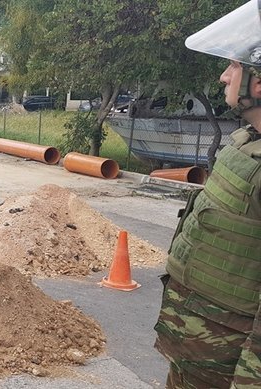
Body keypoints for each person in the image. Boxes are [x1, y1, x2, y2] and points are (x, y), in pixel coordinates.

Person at [153, 1, 261, 388]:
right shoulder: (247, 142)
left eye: (233, 66)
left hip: (229, 366)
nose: (223, 76)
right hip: (197, 354)